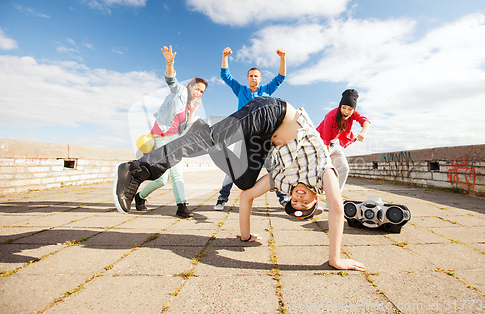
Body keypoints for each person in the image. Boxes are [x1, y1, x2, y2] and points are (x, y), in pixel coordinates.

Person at [113, 96, 365, 271]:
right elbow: (337, 208)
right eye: (304, 202)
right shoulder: (324, 175)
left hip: (266, 138)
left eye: (294, 201)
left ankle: (200, 129)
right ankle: (138, 169)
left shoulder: (283, 181)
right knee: (211, 139)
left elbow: (247, 197)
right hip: (272, 112)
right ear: (315, 199)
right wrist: (335, 258)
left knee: (245, 182)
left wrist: (245, 235)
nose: (298, 197)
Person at [133, 45, 207, 218]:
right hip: (160, 137)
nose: (199, 93)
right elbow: (171, 79)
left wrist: (194, 110)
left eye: (202, 92)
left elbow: (186, 127)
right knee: (169, 176)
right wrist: (169, 62)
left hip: (175, 139)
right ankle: (178, 205)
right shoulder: (180, 91)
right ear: (190, 86)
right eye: (197, 88)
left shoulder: (189, 106)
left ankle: (144, 197)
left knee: (168, 176)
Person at [214, 47, 288, 211]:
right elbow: (225, 76)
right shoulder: (240, 90)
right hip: (244, 134)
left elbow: (281, 77)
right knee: (234, 168)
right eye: (251, 76)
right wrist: (224, 56)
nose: (253, 78)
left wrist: (282, 58)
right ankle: (222, 198)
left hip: (263, 137)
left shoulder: (266, 91)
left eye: (256, 76)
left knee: (272, 167)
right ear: (247, 78)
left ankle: (283, 198)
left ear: (260, 79)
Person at [316, 89, 371, 206]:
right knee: (319, 171)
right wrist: (326, 161)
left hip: (335, 144)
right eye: (344, 108)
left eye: (350, 109)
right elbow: (325, 138)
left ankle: (333, 200)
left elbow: (366, 122)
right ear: (340, 106)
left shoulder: (353, 114)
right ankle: (310, 198)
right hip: (321, 144)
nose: (346, 112)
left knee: (344, 169)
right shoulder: (330, 116)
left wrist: (363, 132)